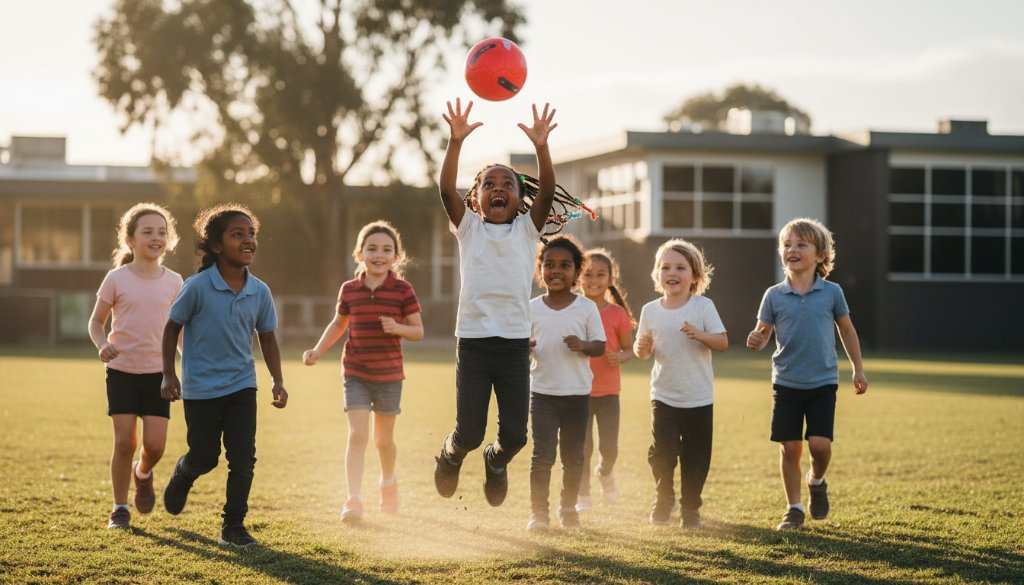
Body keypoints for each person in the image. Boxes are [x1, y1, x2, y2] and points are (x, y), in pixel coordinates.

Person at [433, 98, 593, 507]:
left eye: (508, 185)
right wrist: (455, 142)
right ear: (476, 197)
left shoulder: (526, 231)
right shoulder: (467, 228)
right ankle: (451, 454)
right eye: (490, 184)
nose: (499, 189)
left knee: (515, 437)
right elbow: (444, 189)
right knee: (468, 431)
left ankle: (496, 460)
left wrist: (542, 147)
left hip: (513, 345)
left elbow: (547, 190)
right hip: (473, 343)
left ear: (522, 200)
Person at [159, 204, 288, 547]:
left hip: (241, 385)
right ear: (216, 246)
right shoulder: (198, 287)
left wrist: (277, 379)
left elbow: (268, 337)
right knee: (204, 457)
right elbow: (171, 329)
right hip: (200, 388)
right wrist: (169, 375)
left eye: (251, 234)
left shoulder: (259, 291)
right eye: (237, 234)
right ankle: (185, 473)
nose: (248, 240)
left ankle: (233, 527)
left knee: (243, 457)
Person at [746, 217, 868, 531]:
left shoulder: (832, 292)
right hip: (785, 383)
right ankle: (794, 509)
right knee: (789, 448)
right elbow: (762, 334)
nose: (792, 249)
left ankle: (816, 479)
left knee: (820, 445)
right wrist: (756, 339)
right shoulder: (773, 295)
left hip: (822, 382)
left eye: (801, 244)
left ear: (821, 255)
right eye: (787, 244)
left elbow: (847, 331)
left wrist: (858, 369)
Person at [303, 220, 423, 524]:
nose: (379, 254)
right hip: (355, 372)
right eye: (372, 248)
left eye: (386, 249)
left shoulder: (402, 290)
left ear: (396, 256)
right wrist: (317, 350)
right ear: (360, 254)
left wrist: (398, 328)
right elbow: (338, 324)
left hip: (390, 376)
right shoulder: (350, 290)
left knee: (383, 441)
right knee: (357, 435)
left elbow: (418, 331)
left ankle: (387, 482)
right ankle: (353, 499)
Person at [88, 203, 183, 530]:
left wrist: (190, 365)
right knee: (124, 442)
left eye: (161, 232)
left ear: (168, 240)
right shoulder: (116, 278)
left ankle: (143, 473)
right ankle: (119, 508)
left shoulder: (175, 281)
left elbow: (179, 330)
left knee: (155, 446)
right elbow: (96, 323)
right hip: (122, 371)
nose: (156, 237)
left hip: (160, 374)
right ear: (130, 240)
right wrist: (103, 345)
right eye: (147, 231)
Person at [634, 239, 728, 529]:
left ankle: (691, 509)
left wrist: (701, 335)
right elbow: (641, 352)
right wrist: (644, 345)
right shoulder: (650, 310)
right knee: (661, 452)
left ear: (695, 276)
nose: (672, 272)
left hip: (698, 397)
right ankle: (664, 497)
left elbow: (722, 342)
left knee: (696, 459)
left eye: (680, 267)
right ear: (656, 274)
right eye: (665, 267)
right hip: (663, 395)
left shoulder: (703, 306)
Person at [527, 235, 606, 531]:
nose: (556, 271)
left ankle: (568, 509)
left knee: (573, 457)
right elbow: (521, 344)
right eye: (549, 265)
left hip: (576, 395)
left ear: (576, 272)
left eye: (564, 265)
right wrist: (526, 346)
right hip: (542, 394)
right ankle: (538, 513)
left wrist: (582, 344)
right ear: (540, 270)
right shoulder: (532, 307)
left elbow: (600, 346)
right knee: (542, 455)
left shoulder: (585, 308)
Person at [575, 248, 635, 513]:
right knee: (582, 448)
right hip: (579, 391)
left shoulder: (617, 314)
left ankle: (605, 473)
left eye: (600, 274)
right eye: (588, 274)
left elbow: (628, 349)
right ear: (578, 277)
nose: (594, 280)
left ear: (611, 278)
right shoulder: (573, 310)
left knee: (609, 448)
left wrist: (619, 358)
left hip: (609, 392)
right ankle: (582, 495)